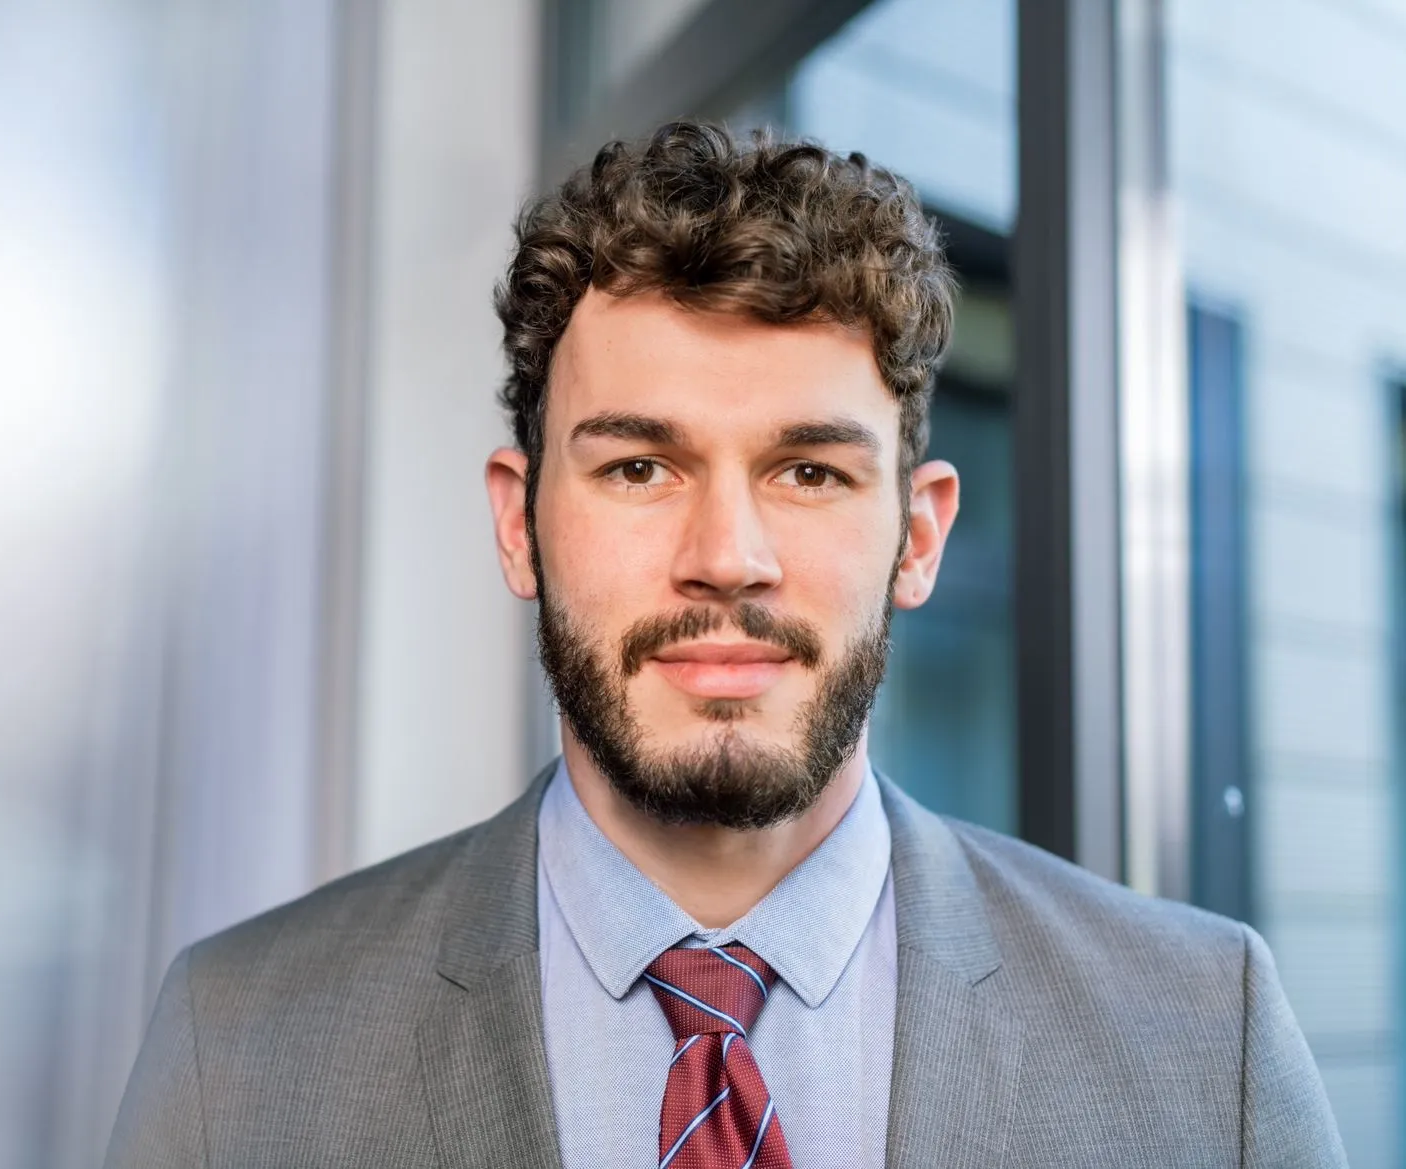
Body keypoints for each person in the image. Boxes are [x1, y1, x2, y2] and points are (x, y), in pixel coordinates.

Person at [103, 122, 1345, 1168]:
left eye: (807, 470)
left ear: (916, 538)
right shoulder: (242, 1047)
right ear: (516, 519)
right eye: (639, 466)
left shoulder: (1202, 1038)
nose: (727, 553)